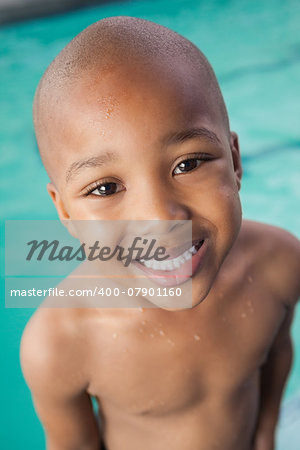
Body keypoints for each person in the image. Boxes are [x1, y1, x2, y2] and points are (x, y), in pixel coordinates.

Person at [20, 16, 300, 450]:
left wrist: (265, 435)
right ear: (65, 212)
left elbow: (278, 352)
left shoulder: (281, 263)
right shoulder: (61, 342)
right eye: (105, 188)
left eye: (188, 164)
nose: (160, 217)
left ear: (236, 160)